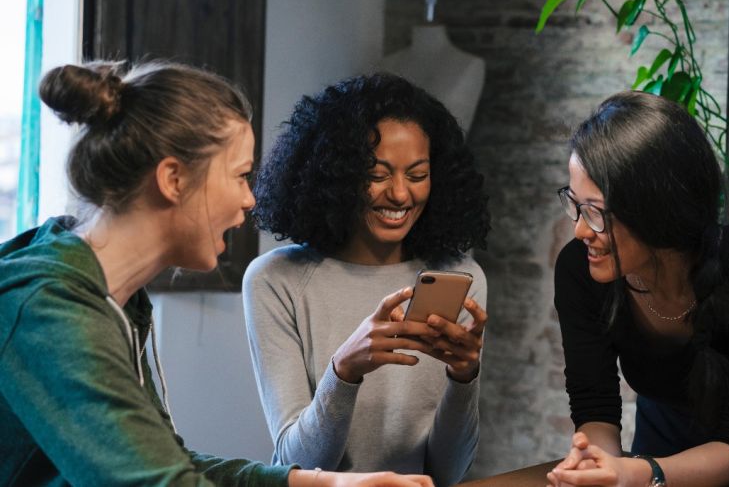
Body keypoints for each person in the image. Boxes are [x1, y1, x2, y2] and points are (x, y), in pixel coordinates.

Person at [0, 60, 434, 487]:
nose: (249, 200)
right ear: (173, 179)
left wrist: (328, 485)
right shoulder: (49, 307)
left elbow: (168, 462)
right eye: (241, 176)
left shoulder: (114, 296)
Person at [547, 91, 729, 487]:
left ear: (657, 210)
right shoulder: (582, 269)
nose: (580, 231)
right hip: (660, 449)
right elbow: (595, 405)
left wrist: (639, 474)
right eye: (575, 205)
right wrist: (601, 466)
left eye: (595, 213)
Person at [244, 73, 490, 487]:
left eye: (417, 175)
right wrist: (344, 370)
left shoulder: (461, 277)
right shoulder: (275, 281)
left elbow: (449, 473)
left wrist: (465, 376)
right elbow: (296, 465)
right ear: (336, 176)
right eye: (377, 175)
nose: (399, 195)